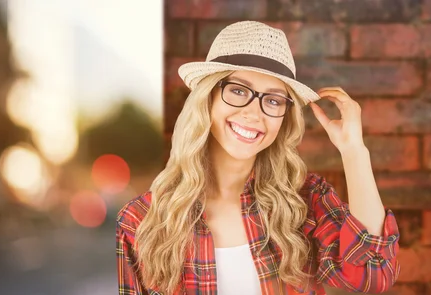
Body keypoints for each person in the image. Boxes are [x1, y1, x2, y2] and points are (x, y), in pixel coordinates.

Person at [116, 21, 400, 295]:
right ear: (207, 98)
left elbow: (374, 274)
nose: (254, 113)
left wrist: (354, 151)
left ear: (285, 117)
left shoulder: (305, 201)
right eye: (238, 91)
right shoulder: (139, 221)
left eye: (274, 100)